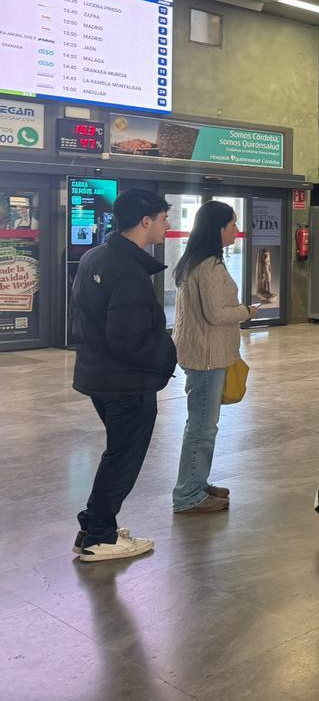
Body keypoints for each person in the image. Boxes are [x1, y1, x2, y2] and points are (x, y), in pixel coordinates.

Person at [70, 189, 176, 562]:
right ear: (145, 221)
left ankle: (95, 526)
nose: (168, 225)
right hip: (126, 383)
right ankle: (99, 537)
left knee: (117, 453)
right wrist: (166, 357)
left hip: (101, 377)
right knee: (122, 457)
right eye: (165, 219)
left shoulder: (95, 256)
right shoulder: (128, 270)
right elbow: (128, 339)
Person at [171, 201, 257, 515]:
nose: (237, 229)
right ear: (218, 228)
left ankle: (196, 483)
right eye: (233, 224)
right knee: (202, 428)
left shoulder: (198, 260)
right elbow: (216, 313)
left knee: (203, 425)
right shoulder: (207, 265)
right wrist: (247, 312)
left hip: (204, 352)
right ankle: (188, 495)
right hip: (206, 356)